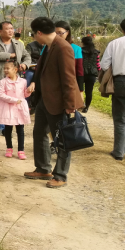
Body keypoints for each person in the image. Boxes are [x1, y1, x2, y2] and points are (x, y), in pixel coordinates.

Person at [25, 17, 83, 188]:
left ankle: (61, 175)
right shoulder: (49, 47)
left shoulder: (63, 48)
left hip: (59, 102)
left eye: (34, 34)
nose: (34, 37)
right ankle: (43, 168)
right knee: (39, 133)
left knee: (63, 139)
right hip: (45, 99)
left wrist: (69, 105)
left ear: (39, 33)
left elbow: (69, 79)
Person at [0, 22, 32, 136]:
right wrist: (10, 55)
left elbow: (27, 56)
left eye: (12, 28)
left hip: (13, 80)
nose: (11, 31)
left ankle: (8, 127)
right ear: (0, 31)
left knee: (12, 103)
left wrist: (25, 64)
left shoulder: (18, 44)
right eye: (7, 29)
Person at [0, 59, 31, 159]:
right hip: (7, 108)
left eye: (7, 68)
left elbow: (25, 94)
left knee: (20, 130)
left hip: (19, 108)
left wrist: (29, 91)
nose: (5, 70)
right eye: (4, 68)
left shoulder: (23, 81)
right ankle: (9, 148)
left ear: (15, 69)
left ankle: (21, 150)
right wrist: (14, 100)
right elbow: (1, 95)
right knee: (8, 129)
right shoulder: (2, 82)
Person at [100, 19, 125, 161]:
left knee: (120, 118)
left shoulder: (115, 43)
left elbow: (104, 65)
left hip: (120, 81)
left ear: (122, 29)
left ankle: (119, 151)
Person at [55, 21, 84, 92]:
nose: (57, 35)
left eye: (60, 33)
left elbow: (79, 70)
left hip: (69, 86)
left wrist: (80, 90)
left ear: (67, 33)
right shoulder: (47, 48)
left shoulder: (76, 49)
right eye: (55, 33)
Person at [81, 36, 100, 113]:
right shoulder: (96, 52)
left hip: (81, 73)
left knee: (79, 90)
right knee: (89, 92)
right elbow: (98, 64)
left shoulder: (80, 51)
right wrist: (98, 73)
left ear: (83, 43)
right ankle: (86, 108)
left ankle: (80, 104)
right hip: (92, 74)